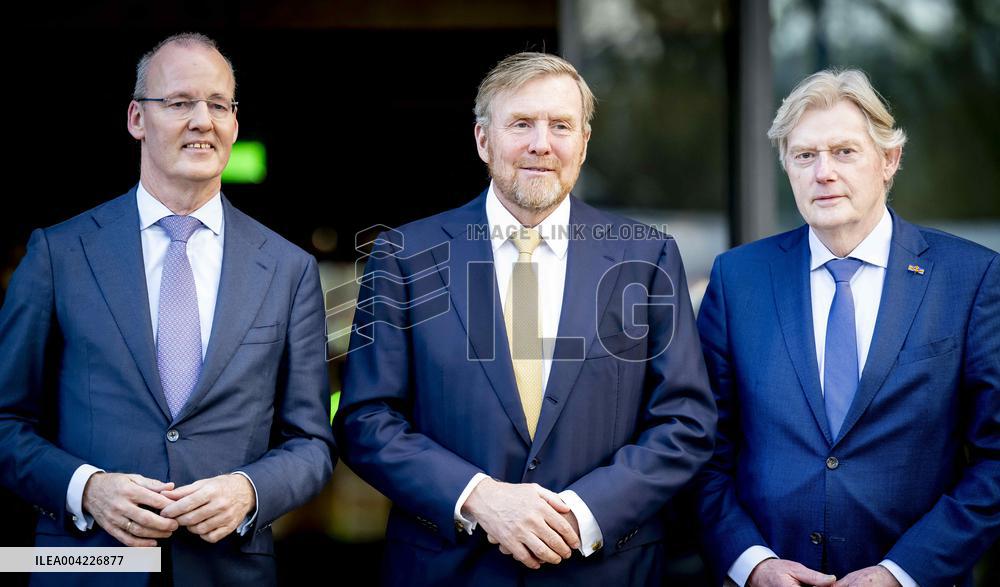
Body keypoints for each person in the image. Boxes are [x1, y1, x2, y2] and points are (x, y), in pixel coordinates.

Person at [334, 52, 716, 585]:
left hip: (605, 570)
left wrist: (582, 514)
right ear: (483, 140)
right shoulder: (405, 255)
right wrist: (478, 497)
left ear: (584, 143)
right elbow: (365, 419)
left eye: (561, 125)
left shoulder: (646, 257)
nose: (542, 144)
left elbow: (685, 421)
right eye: (520, 124)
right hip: (450, 571)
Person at [0, 33, 335, 586]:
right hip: (88, 567)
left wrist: (250, 490)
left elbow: (312, 443)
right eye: (180, 102)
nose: (203, 120)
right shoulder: (59, 254)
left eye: (219, 105)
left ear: (234, 122)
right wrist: (85, 488)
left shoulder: (288, 269)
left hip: (227, 570)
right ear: (137, 118)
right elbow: (7, 422)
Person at [696, 69, 1000, 587]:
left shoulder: (970, 278)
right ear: (787, 167)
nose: (823, 173)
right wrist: (753, 563)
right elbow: (702, 449)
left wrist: (901, 573)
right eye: (804, 156)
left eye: (844, 152)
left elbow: (994, 460)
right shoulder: (738, 279)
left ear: (889, 160)